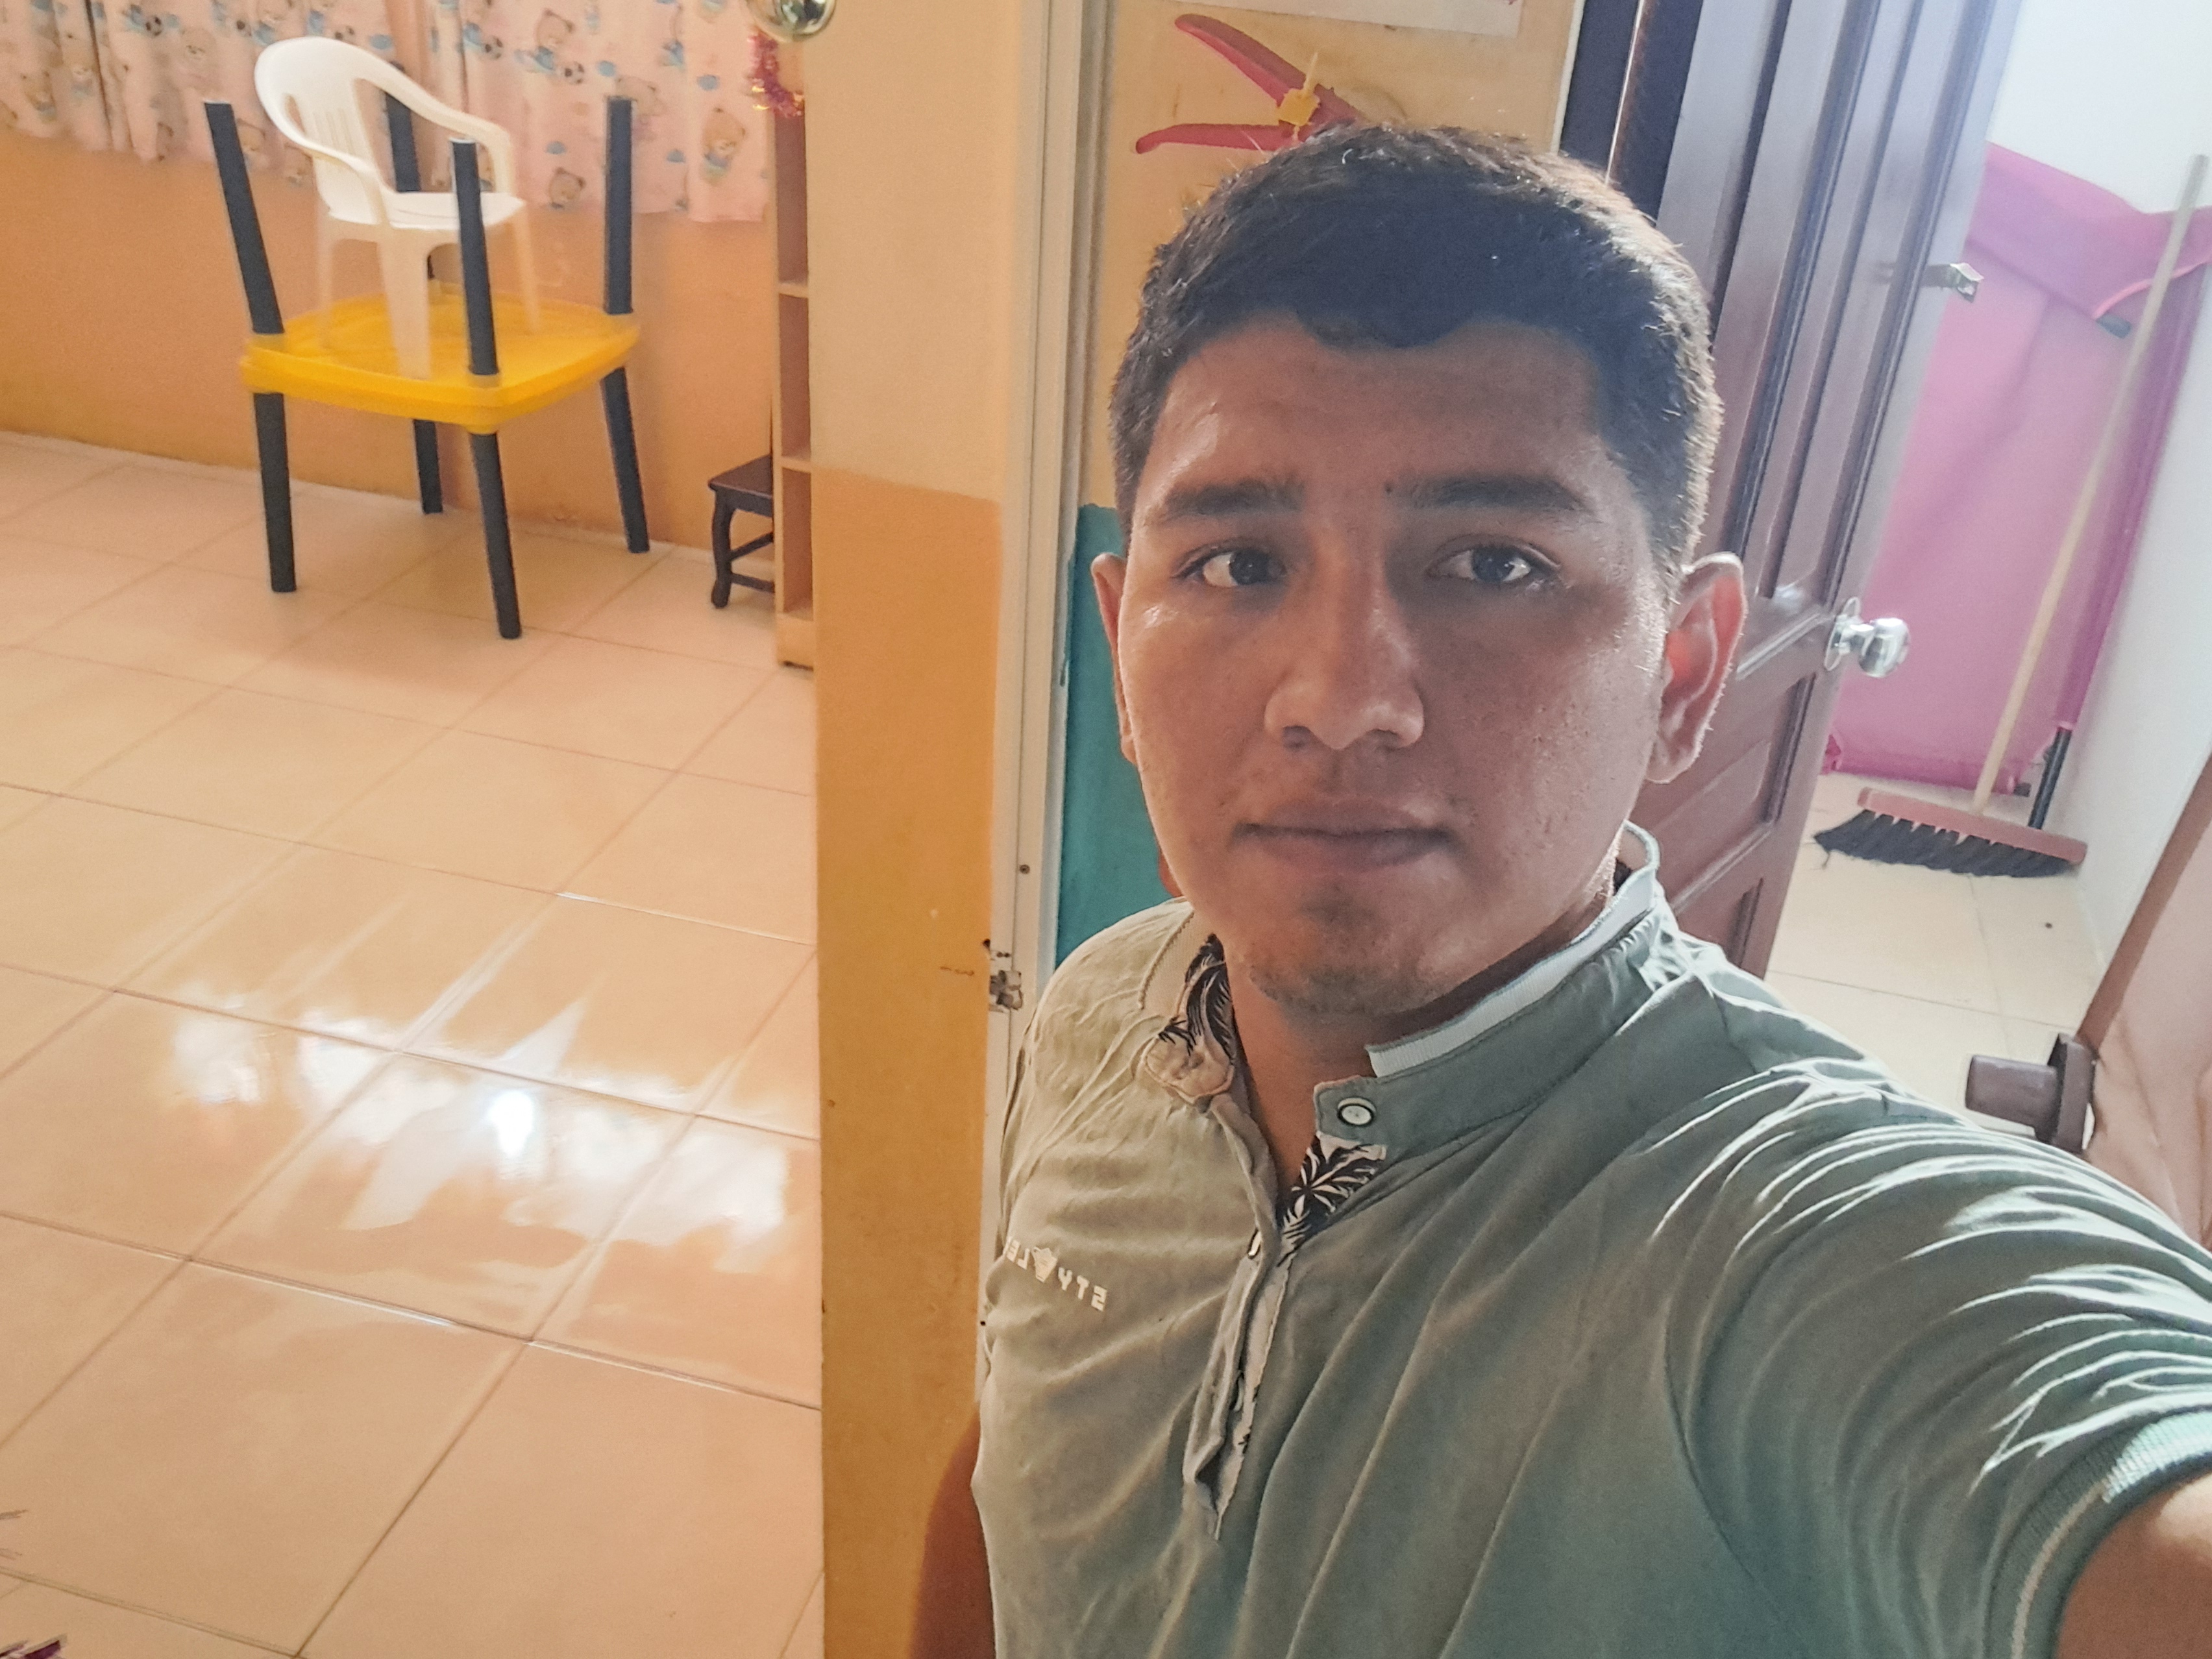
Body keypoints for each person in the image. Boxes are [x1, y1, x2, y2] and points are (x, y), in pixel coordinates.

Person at [912, 127, 2212, 1659]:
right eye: (1238, 565)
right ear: (1121, 643)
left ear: (1685, 673)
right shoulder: (1095, 1017)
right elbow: (1014, 1473)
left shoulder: (1789, 1248)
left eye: (1493, 564)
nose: (1341, 699)